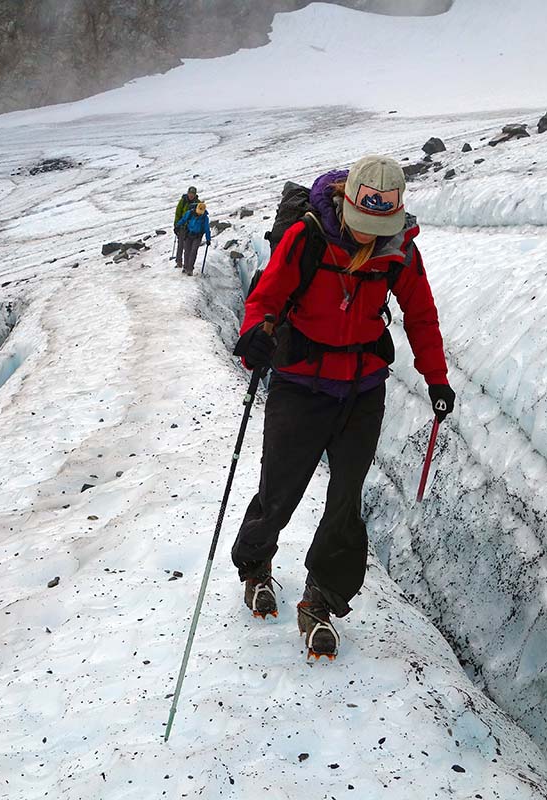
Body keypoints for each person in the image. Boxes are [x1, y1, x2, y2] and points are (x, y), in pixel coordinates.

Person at [230, 155, 454, 659]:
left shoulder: (399, 249)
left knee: (346, 498)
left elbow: (421, 313)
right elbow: (267, 298)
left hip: (362, 388)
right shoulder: (307, 237)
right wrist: (254, 336)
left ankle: (321, 601)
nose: (369, 237)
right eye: (363, 226)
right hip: (300, 384)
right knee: (279, 488)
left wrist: (436, 379)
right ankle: (255, 567)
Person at [174, 201, 211, 275]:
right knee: (187, 251)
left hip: (197, 236)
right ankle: (185, 267)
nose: (199, 213)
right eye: (199, 211)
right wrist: (177, 226)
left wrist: (208, 239)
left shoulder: (204, 218)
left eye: (201, 212)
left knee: (193, 251)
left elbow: (207, 229)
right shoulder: (190, 213)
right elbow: (183, 220)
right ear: (196, 208)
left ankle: (190, 269)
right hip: (189, 234)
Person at [173, 186, 199, 265]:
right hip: (182, 226)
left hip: (191, 228)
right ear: (188, 193)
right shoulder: (183, 201)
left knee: (187, 246)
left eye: (193, 194)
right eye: (190, 193)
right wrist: (176, 225)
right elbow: (178, 213)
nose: (191, 195)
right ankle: (179, 261)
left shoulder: (198, 202)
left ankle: (186, 263)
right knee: (180, 244)